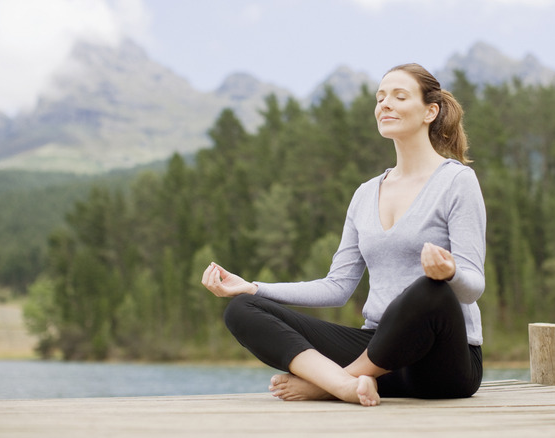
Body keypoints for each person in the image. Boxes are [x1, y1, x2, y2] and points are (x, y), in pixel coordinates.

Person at [201, 63, 486, 407]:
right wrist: (253, 287)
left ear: (430, 111)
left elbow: (474, 287)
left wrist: (449, 273)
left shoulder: (456, 182)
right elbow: (337, 287)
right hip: (382, 356)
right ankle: (345, 384)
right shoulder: (365, 194)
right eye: (380, 98)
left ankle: (329, 384)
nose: (385, 104)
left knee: (429, 290)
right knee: (243, 308)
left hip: (443, 366)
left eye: (399, 96)